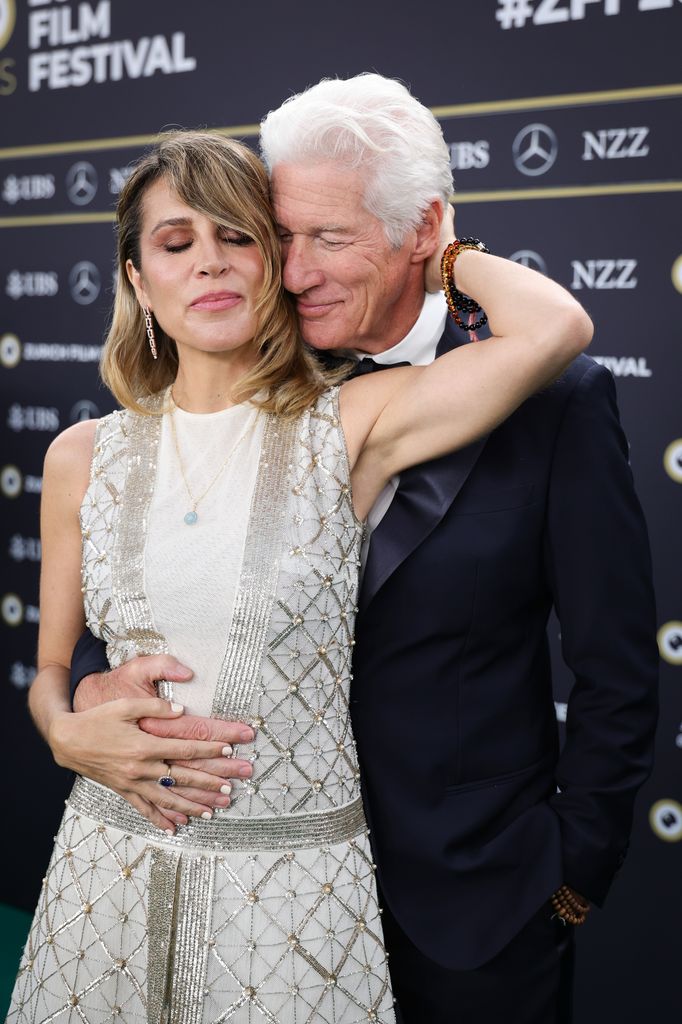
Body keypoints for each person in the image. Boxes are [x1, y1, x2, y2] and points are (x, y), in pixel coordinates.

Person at [9, 122, 591, 1024]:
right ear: (137, 277)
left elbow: (555, 327)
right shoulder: (82, 456)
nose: (208, 263)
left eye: (237, 237)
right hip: (110, 864)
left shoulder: (346, 424)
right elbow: (53, 670)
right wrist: (62, 731)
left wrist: (441, 247)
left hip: (290, 892)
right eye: (176, 242)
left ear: (273, 268)